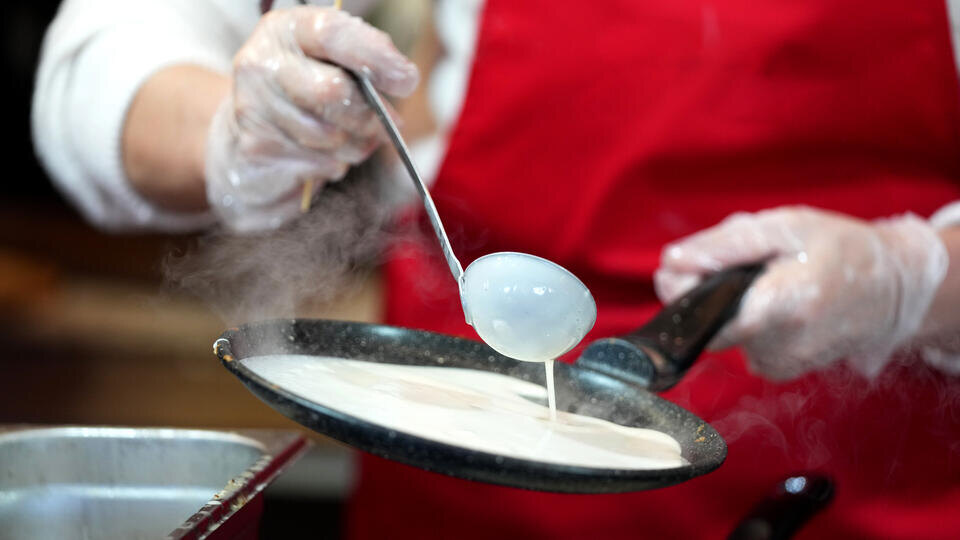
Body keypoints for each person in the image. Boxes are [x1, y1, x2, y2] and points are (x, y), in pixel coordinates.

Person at [32, 0, 960, 538]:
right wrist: (236, 129)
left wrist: (913, 277)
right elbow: (107, 54)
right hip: (452, 492)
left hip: (831, 487)